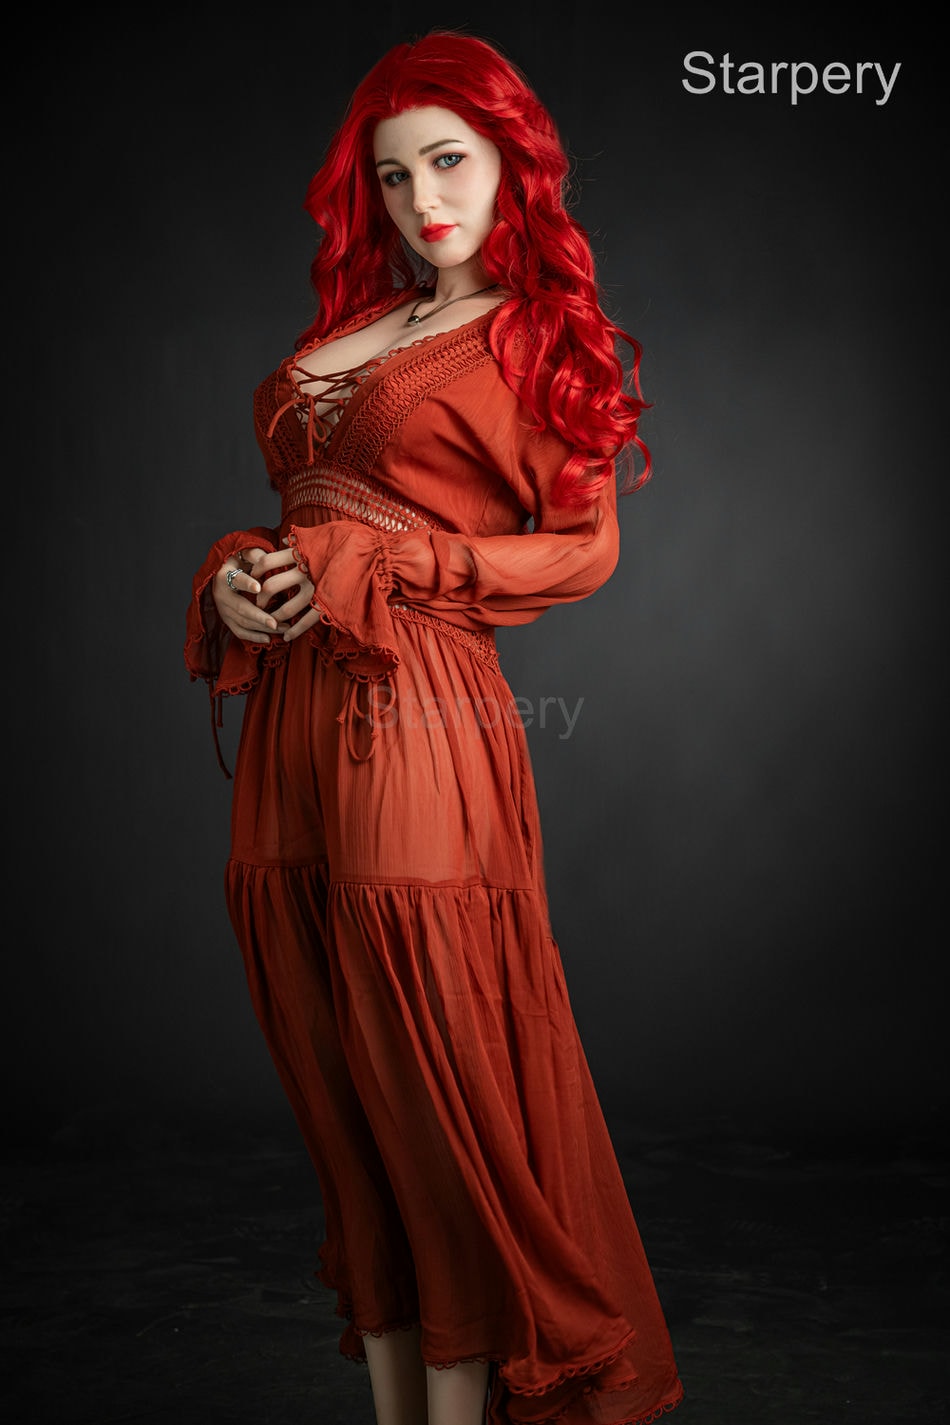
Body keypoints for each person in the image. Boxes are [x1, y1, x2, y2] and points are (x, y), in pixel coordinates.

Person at [185, 29, 684, 1425]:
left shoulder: (530, 333)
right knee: (339, 1076)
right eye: (395, 175)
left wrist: (406, 564)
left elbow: (582, 549)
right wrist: (236, 579)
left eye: (449, 161)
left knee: (425, 1073)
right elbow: (310, 513)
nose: (423, 199)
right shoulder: (348, 332)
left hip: (412, 706)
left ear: (512, 162)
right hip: (295, 712)